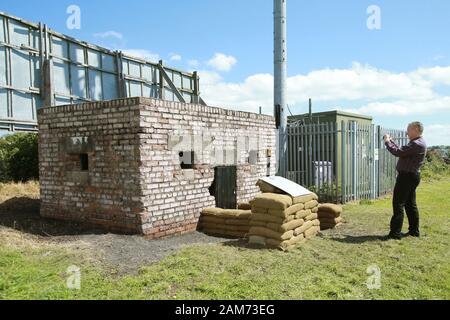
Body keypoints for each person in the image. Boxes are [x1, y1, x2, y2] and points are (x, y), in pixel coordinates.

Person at [383, 122, 427, 240]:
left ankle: (395, 233)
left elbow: (398, 152)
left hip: (407, 177)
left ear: (416, 129)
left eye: (408, 129)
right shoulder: (416, 143)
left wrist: (387, 141)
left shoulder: (417, 144)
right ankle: (414, 231)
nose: (407, 132)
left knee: (398, 204)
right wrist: (391, 142)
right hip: (410, 177)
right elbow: (401, 150)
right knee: (410, 204)